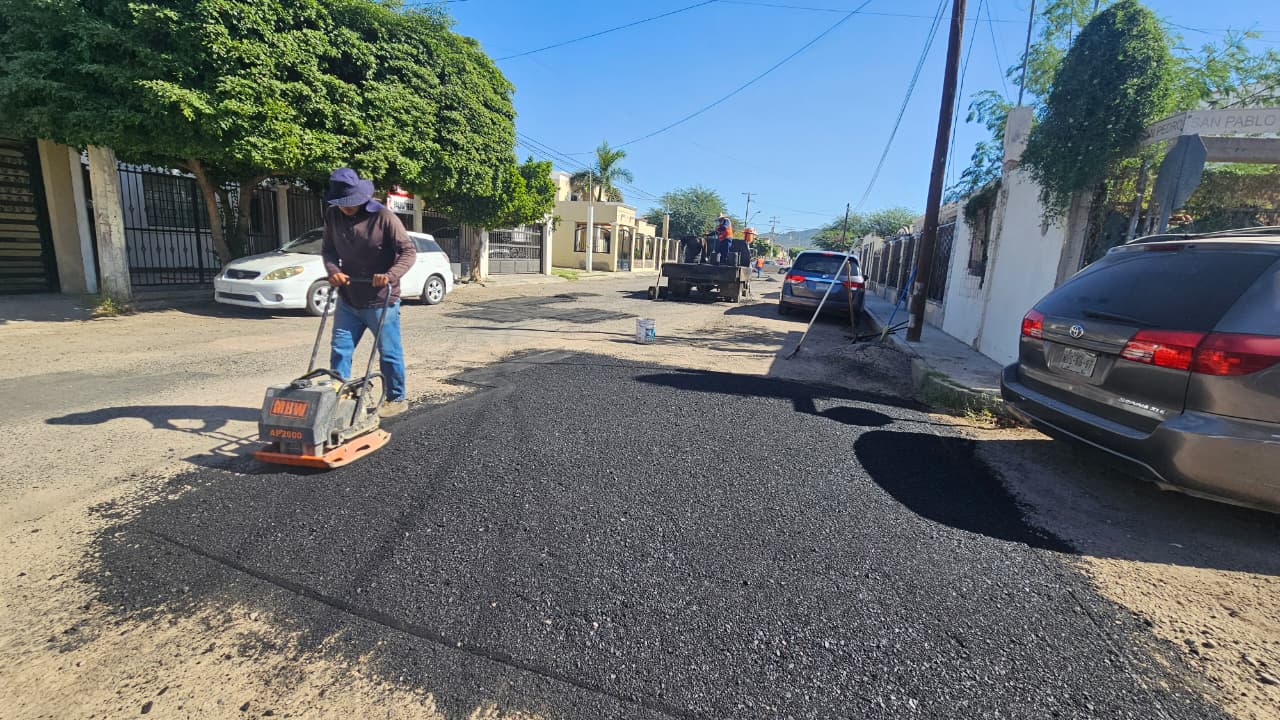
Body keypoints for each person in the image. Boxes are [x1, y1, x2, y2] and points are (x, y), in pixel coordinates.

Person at [321, 167, 416, 418]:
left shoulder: (384, 217)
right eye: (342, 204)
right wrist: (333, 271)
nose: (346, 208)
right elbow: (328, 250)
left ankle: (396, 397)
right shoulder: (333, 216)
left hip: (380, 299)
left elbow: (408, 251)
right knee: (340, 350)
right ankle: (339, 398)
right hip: (349, 297)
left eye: (350, 203)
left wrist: (390, 275)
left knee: (388, 351)